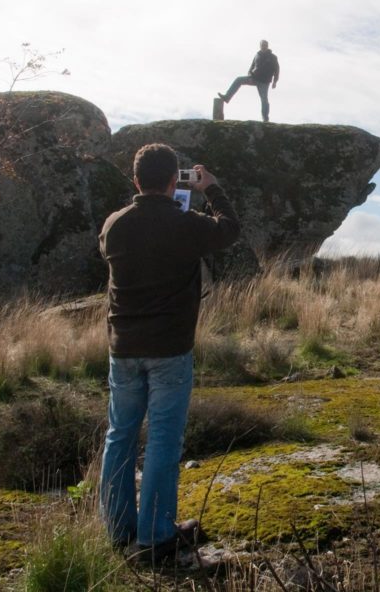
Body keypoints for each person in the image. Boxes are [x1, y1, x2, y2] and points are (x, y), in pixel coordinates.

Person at [98, 143, 240, 566]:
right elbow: (230, 228)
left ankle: (119, 529)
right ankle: (156, 536)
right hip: (170, 351)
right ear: (172, 181)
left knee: (119, 436)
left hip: (122, 349)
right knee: (162, 439)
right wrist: (212, 188)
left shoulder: (114, 225)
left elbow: (116, 249)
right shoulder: (186, 224)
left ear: (136, 180)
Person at [217, 39, 280, 122]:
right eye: (262, 45)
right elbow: (252, 67)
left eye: (265, 45)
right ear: (260, 46)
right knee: (238, 80)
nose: (263, 46)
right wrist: (249, 75)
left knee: (264, 99)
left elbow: (277, 70)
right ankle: (227, 97)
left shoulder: (273, 57)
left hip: (264, 81)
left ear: (267, 46)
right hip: (254, 78)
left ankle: (265, 119)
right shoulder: (257, 55)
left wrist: (275, 81)